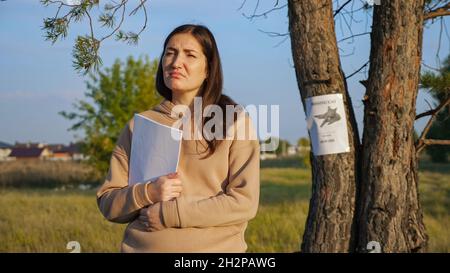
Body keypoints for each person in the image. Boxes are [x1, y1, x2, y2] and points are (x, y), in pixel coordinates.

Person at [96, 24, 260, 253]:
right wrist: (148, 192)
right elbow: (108, 203)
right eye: (170, 53)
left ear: (208, 69)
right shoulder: (140, 124)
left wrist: (168, 214)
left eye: (190, 55)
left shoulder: (234, 121)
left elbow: (245, 203)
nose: (175, 62)